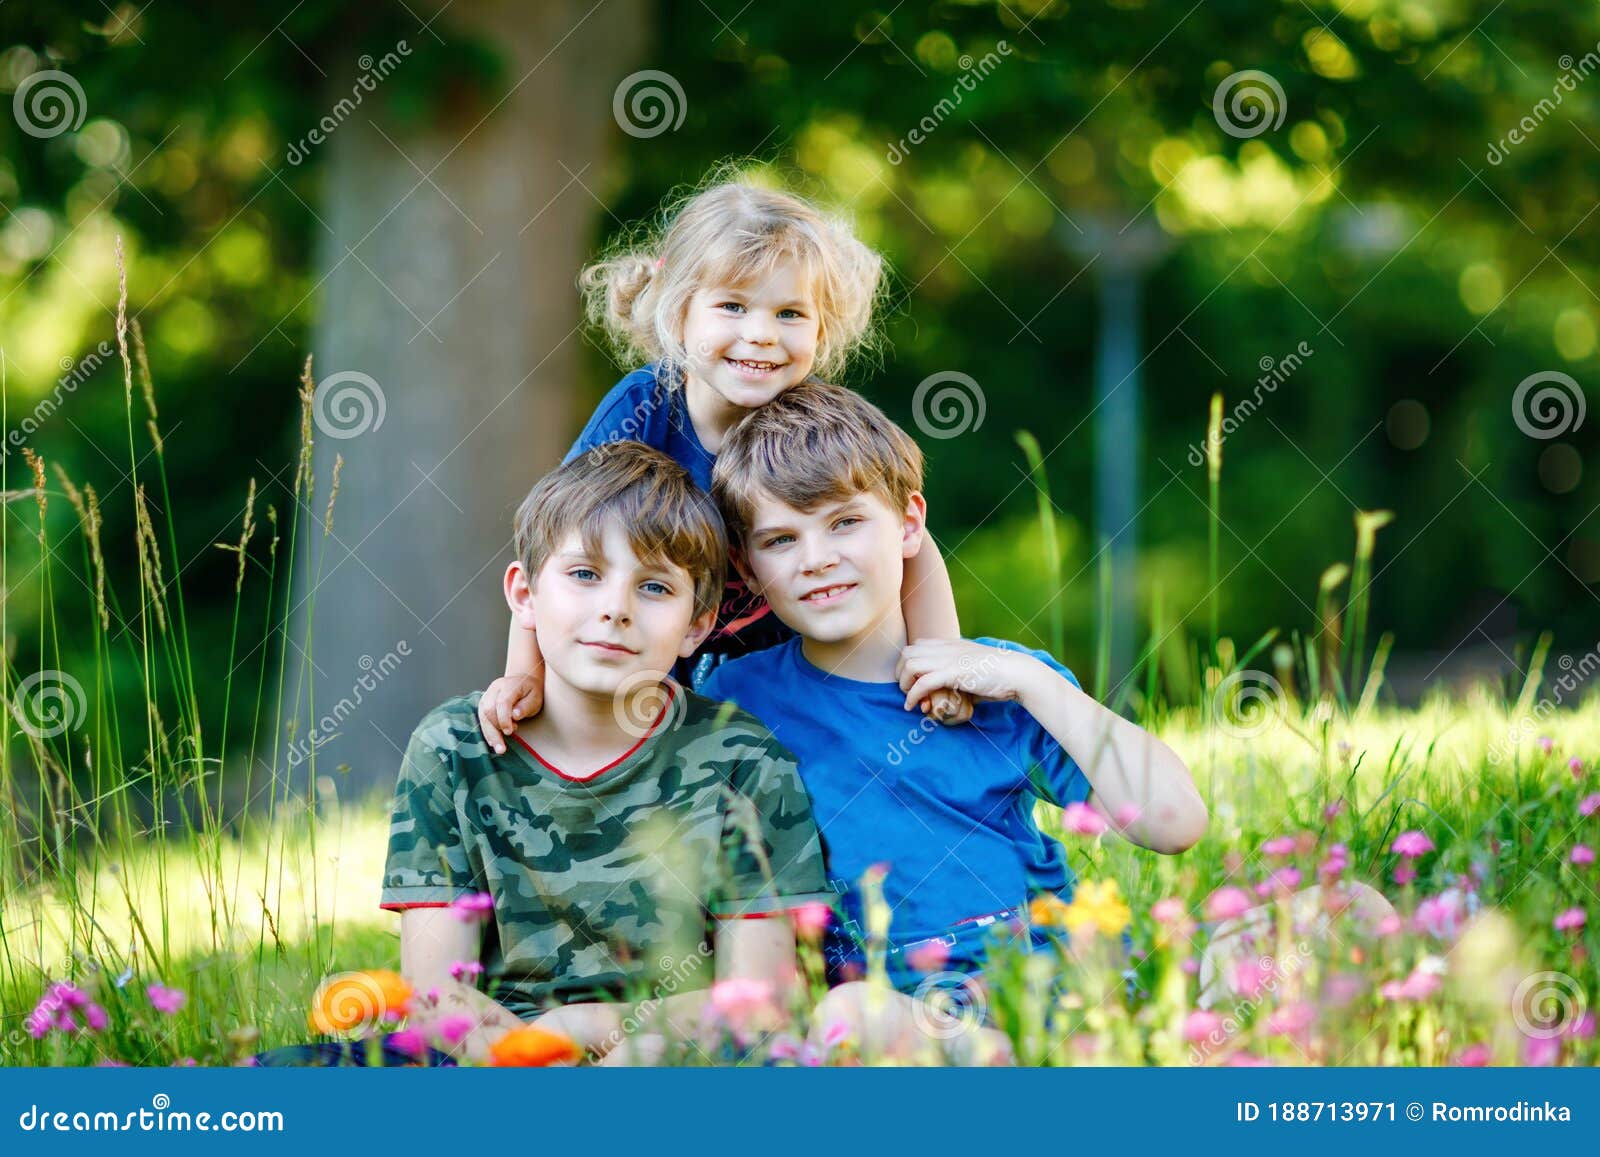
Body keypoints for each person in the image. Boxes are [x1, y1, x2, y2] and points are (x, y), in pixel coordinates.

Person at [259, 442, 834, 1066]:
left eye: (654, 587)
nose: (614, 608)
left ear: (696, 625)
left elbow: (759, 1004)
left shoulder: (741, 757)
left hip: (671, 1056)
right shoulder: (455, 747)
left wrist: (581, 1027)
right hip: (493, 1051)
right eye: (585, 574)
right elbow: (437, 997)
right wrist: (523, 1054)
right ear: (525, 594)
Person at [696, 381, 1211, 1062]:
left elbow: (1175, 822)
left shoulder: (997, 679)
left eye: (845, 522)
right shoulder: (740, 700)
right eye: (781, 539)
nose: (816, 558)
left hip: (1062, 990)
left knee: (1342, 907)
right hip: (911, 1021)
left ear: (910, 524)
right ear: (748, 564)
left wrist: (1033, 682)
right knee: (850, 1015)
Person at [476, 174, 973, 745]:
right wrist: (525, 675)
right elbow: (555, 543)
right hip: (652, 647)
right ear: (679, 311)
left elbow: (908, 539)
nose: (761, 334)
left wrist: (940, 657)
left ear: (822, 326)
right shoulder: (641, 413)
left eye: (790, 314)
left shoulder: (810, 427)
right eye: (733, 306)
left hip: (782, 660)